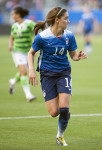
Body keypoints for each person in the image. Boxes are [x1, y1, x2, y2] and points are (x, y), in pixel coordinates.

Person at [28, 7, 87, 146]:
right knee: (54, 112)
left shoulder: (69, 36)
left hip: (63, 73)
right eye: (66, 18)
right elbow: (30, 53)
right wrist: (31, 70)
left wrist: (78, 56)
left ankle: (60, 136)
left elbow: (73, 55)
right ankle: (63, 113)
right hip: (46, 75)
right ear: (57, 20)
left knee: (64, 109)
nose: (68, 20)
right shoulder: (42, 37)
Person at [8, 6, 36, 102]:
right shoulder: (14, 26)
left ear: (18, 15)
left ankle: (13, 81)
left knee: (23, 71)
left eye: (13, 14)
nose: (12, 16)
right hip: (17, 51)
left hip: (28, 52)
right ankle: (28, 95)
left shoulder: (29, 23)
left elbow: (37, 31)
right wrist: (10, 45)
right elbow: (12, 37)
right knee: (24, 72)